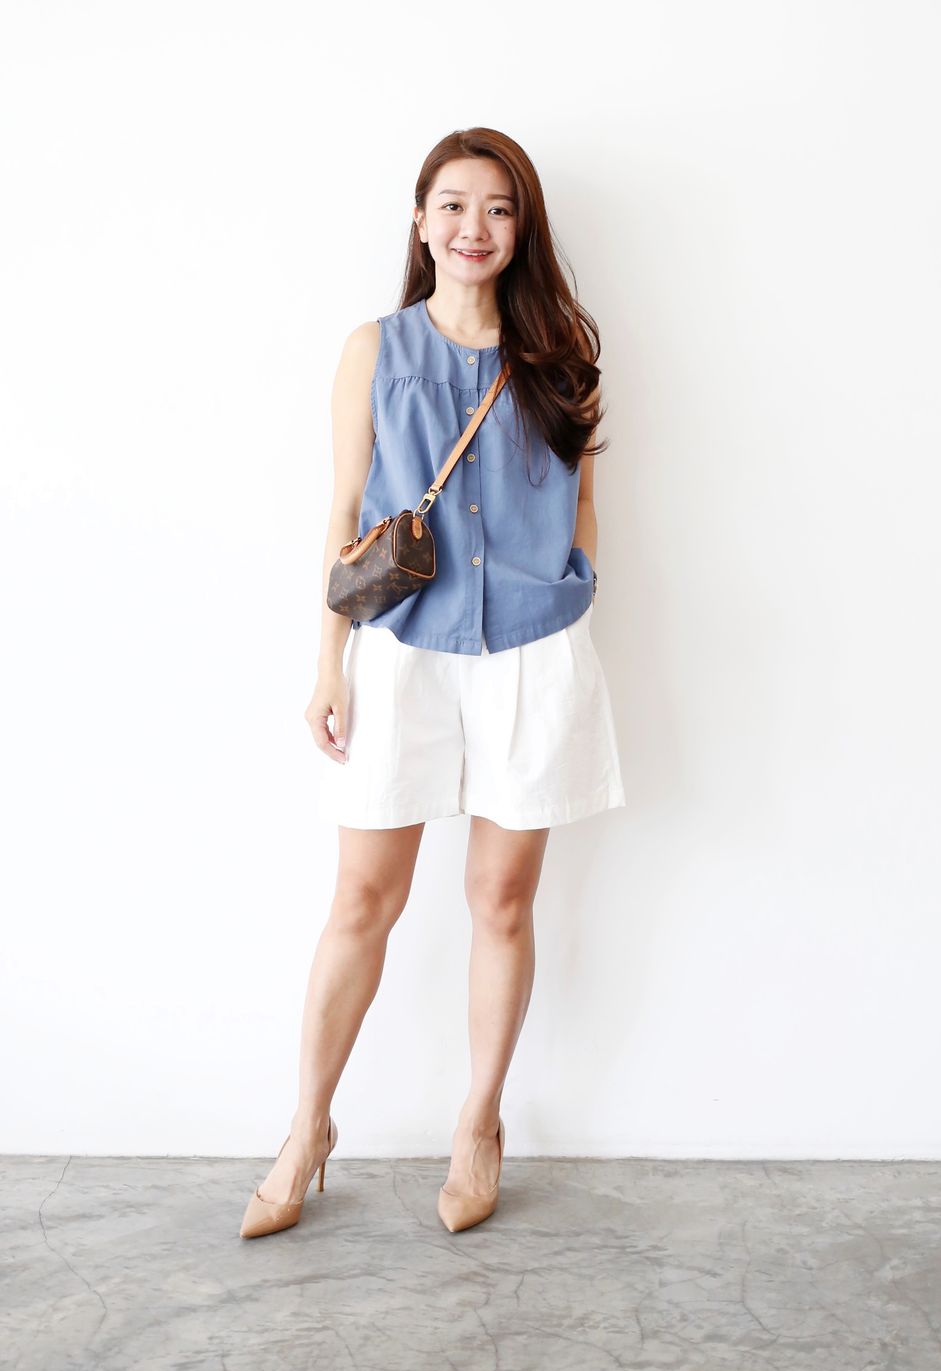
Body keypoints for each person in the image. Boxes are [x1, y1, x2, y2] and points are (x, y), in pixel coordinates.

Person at [240, 127, 625, 1240]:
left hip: (531, 655)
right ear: (420, 221)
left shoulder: (559, 355)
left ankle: (479, 1122)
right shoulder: (374, 348)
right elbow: (344, 511)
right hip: (402, 651)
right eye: (452, 205)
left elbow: (584, 497)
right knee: (363, 900)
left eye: (498, 208)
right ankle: (307, 1128)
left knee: (500, 901)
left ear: (521, 228)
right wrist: (329, 662)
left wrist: (574, 578)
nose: (473, 227)